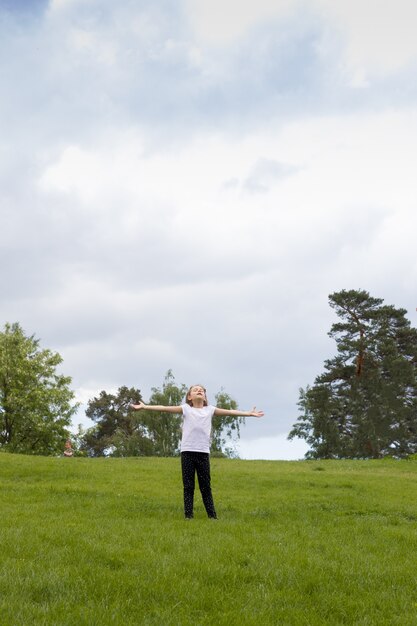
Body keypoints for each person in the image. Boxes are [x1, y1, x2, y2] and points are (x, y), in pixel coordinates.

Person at [131, 384, 264, 520]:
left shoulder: (210, 410)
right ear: (190, 397)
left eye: (202, 390)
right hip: (187, 452)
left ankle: (212, 516)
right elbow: (165, 409)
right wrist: (145, 406)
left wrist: (248, 413)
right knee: (188, 486)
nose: (199, 391)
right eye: (195, 390)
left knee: (205, 486)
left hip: (203, 453)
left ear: (205, 397)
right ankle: (189, 516)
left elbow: (230, 412)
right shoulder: (186, 409)